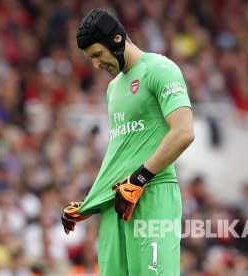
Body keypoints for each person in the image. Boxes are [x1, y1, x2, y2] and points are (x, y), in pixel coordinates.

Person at [61, 8, 194, 275]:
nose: (97, 64)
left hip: (153, 192)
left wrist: (140, 179)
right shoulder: (113, 89)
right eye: (91, 59)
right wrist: (93, 201)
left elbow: (183, 132)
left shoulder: (160, 69)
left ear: (117, 40)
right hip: (118, 201)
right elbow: (121, 151)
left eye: (98, 54)